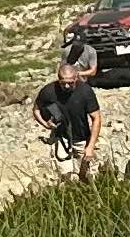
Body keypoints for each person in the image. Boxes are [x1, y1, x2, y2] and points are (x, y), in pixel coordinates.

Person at [33, 43, 103, 179]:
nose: (66, 85)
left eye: (70, 82)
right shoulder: (48, 91)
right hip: (61, 138)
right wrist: (46, 124)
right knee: (66, 176)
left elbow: (96, 118)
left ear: (76, 78)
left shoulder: (85, 91)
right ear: (58, 79)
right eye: (63, 82)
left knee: (87, 175)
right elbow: (36, 110)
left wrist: (91, 146)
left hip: (82, 138)